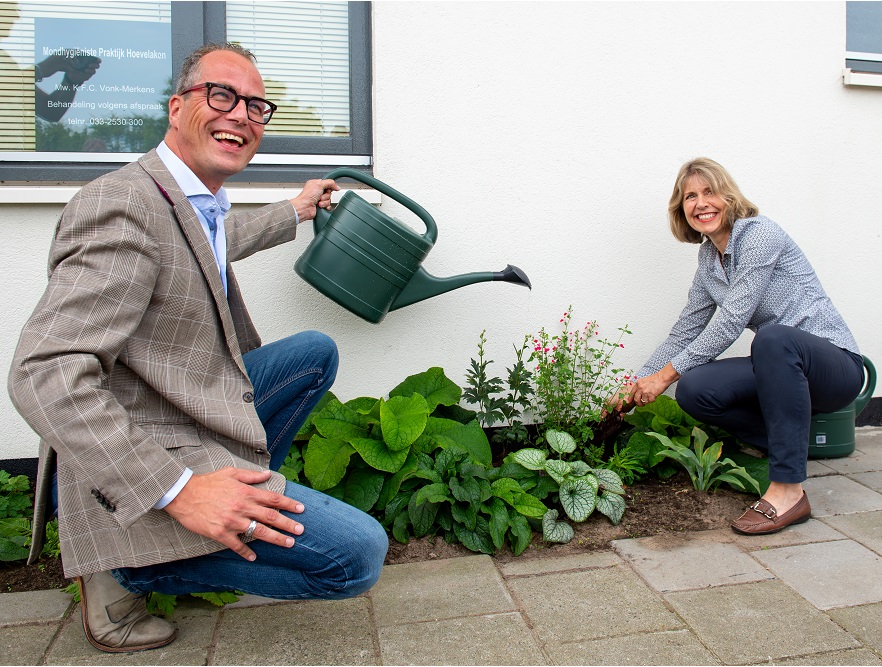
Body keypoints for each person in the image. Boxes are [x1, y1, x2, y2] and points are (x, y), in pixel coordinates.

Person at [8, 43, 388, 654]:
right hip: (148, 443)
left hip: (184, 405)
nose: (240, 114)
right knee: (358, 557)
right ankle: (136, 567)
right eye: (222, 95)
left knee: (313, 353)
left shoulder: (186, 199)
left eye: (255, 106)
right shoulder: (121, 207)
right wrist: (179, 490)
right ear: (177, 105)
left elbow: (207, 247)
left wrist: (294, 209)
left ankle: (232, 506)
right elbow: (45, 371)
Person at [619, 157, 863, 536]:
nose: (701, 203)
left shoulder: (759, 234)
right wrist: (635, 383)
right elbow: (686, 330)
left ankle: (788, 491)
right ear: (681, 209)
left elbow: (732, 320)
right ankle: (787, 447)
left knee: (773, 337)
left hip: (834, 366)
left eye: (709, 191)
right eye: (690, 196)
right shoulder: (708, 260)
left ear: (728, 196)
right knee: (696, 389)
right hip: (779, 364)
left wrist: (664, 377)